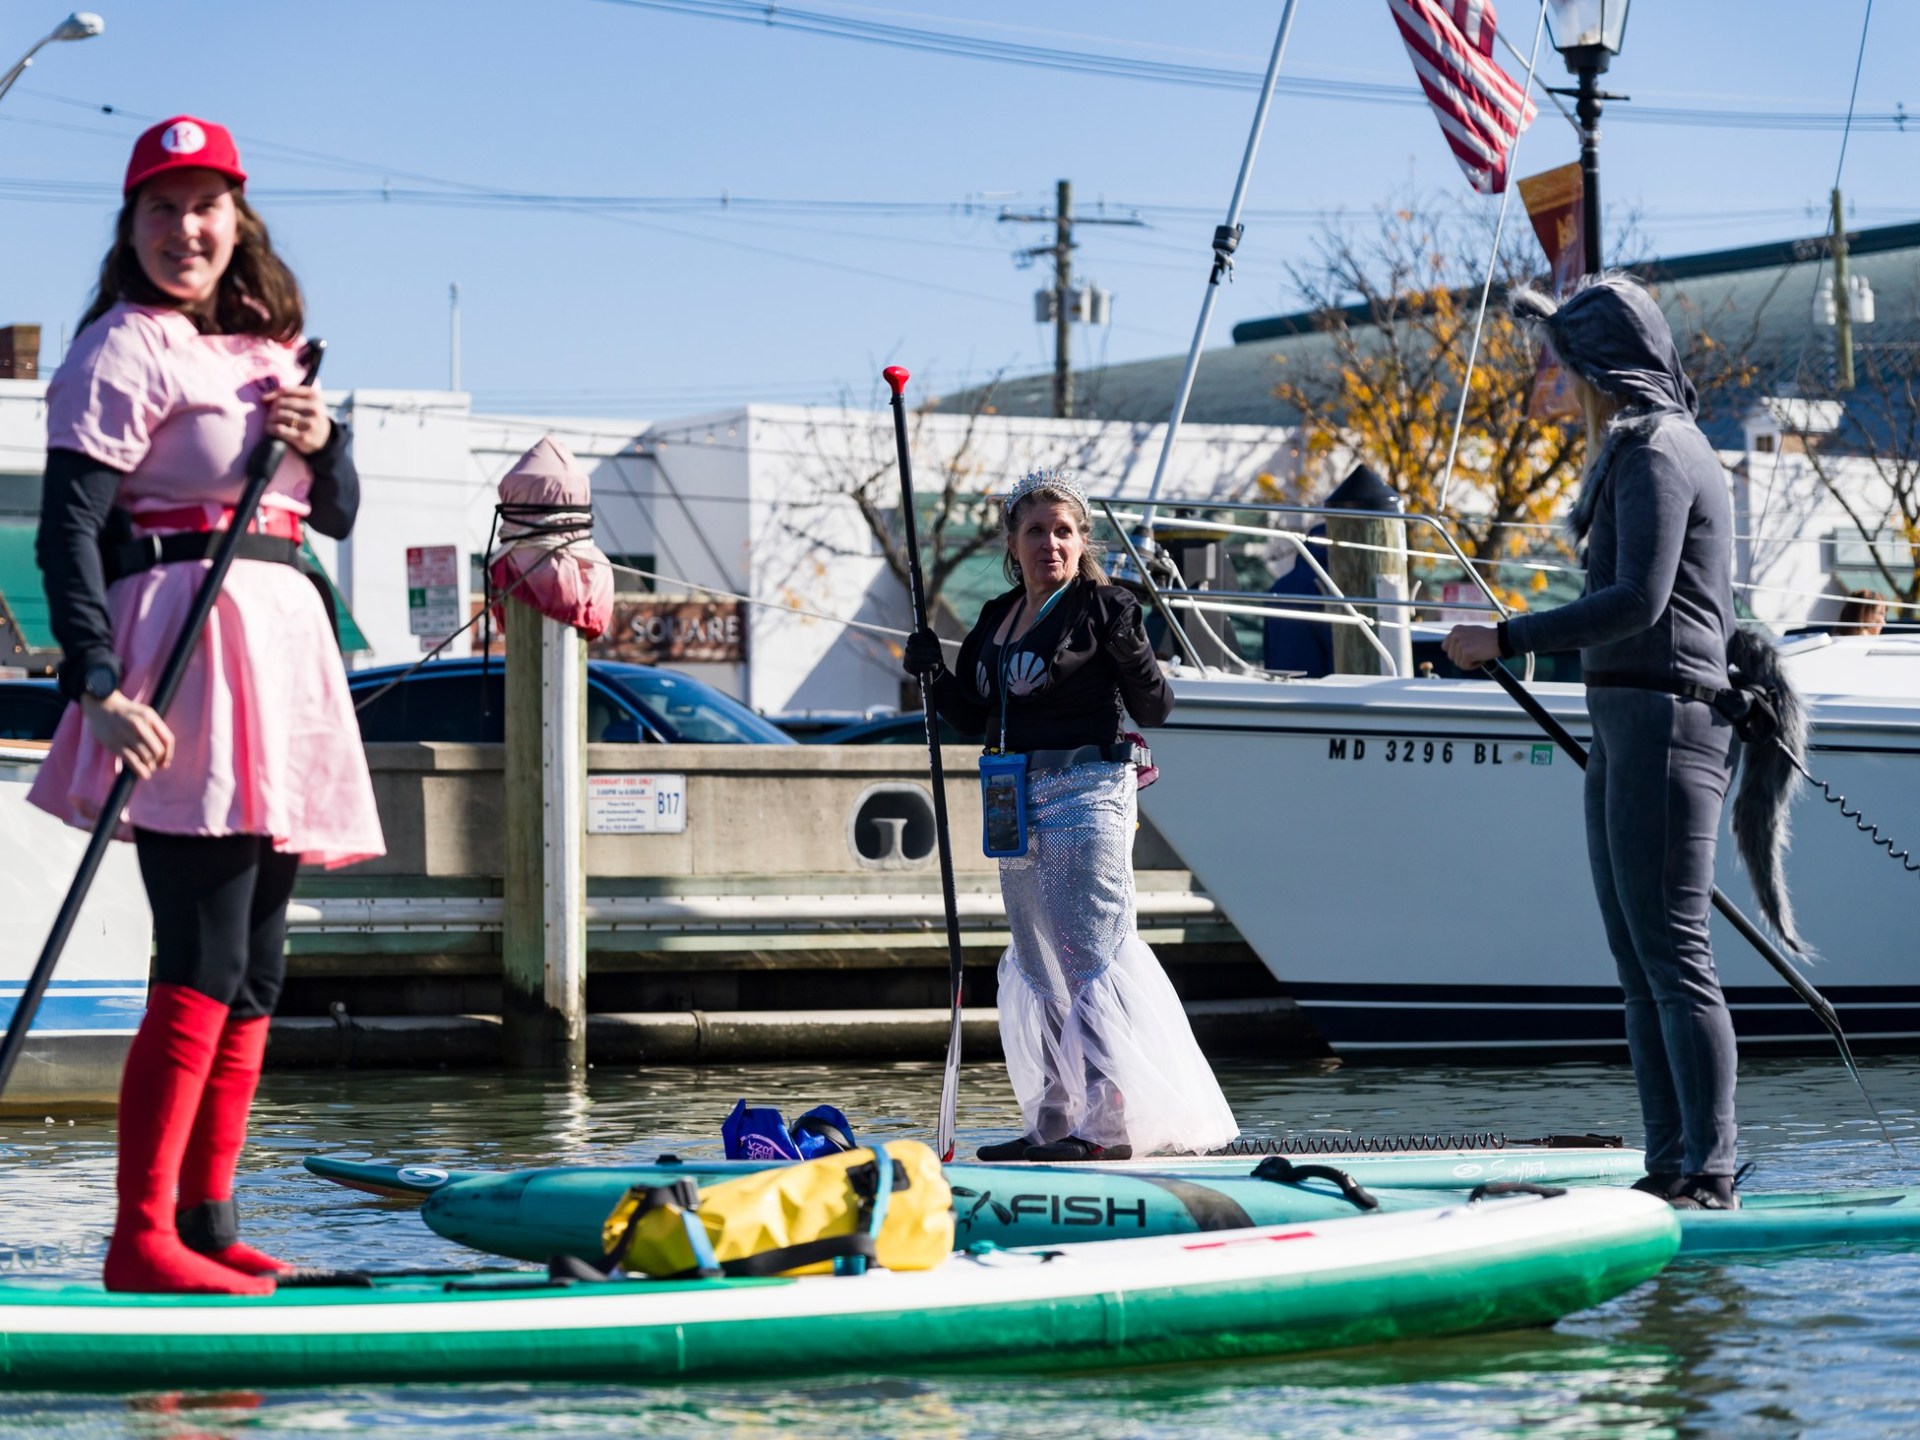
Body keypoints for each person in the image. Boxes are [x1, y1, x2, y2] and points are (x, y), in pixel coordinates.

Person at [32, 116, 385, 1294]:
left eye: (205, 207)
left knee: (260, 967)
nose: (186, 230)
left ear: (239, 220)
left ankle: (208, 1216)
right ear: (130, 230)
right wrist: (96, 680)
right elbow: (70, 529)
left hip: (281, 646)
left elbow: (332, 510)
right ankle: (142, 1237)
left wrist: (323, 442)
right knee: (200, 948)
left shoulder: (269, 351)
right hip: (184, 655)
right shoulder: (122, 349)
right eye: (160, 209)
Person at [1444, 275, 1748, 1211]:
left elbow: (1639, 602)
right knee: (1637, 957)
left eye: (1569, 365)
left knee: (1673, 952)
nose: (1561, 384)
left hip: (1665, 720)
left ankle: (1711, 1170)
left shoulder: (1659, 448)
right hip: (1624, 719)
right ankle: (1670, 1163)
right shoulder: (1638, 447)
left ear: (1603, 364)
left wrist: (1507, 636)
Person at [902, 467, 1236, 1161]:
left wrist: (1129, 644)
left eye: (1063, 531)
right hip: (1013, 798)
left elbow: (1155, 708)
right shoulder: (996, 617)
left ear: (1083, 541)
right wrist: (931, 672)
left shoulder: (1103, 606)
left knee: (1089, 954)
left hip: (1088, 789)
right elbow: (974, 716)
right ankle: (1055, 1123)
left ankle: (1111, 1126)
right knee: (1035, 962)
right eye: (1035, 531)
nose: (1049, 543)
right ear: (1012, 542)